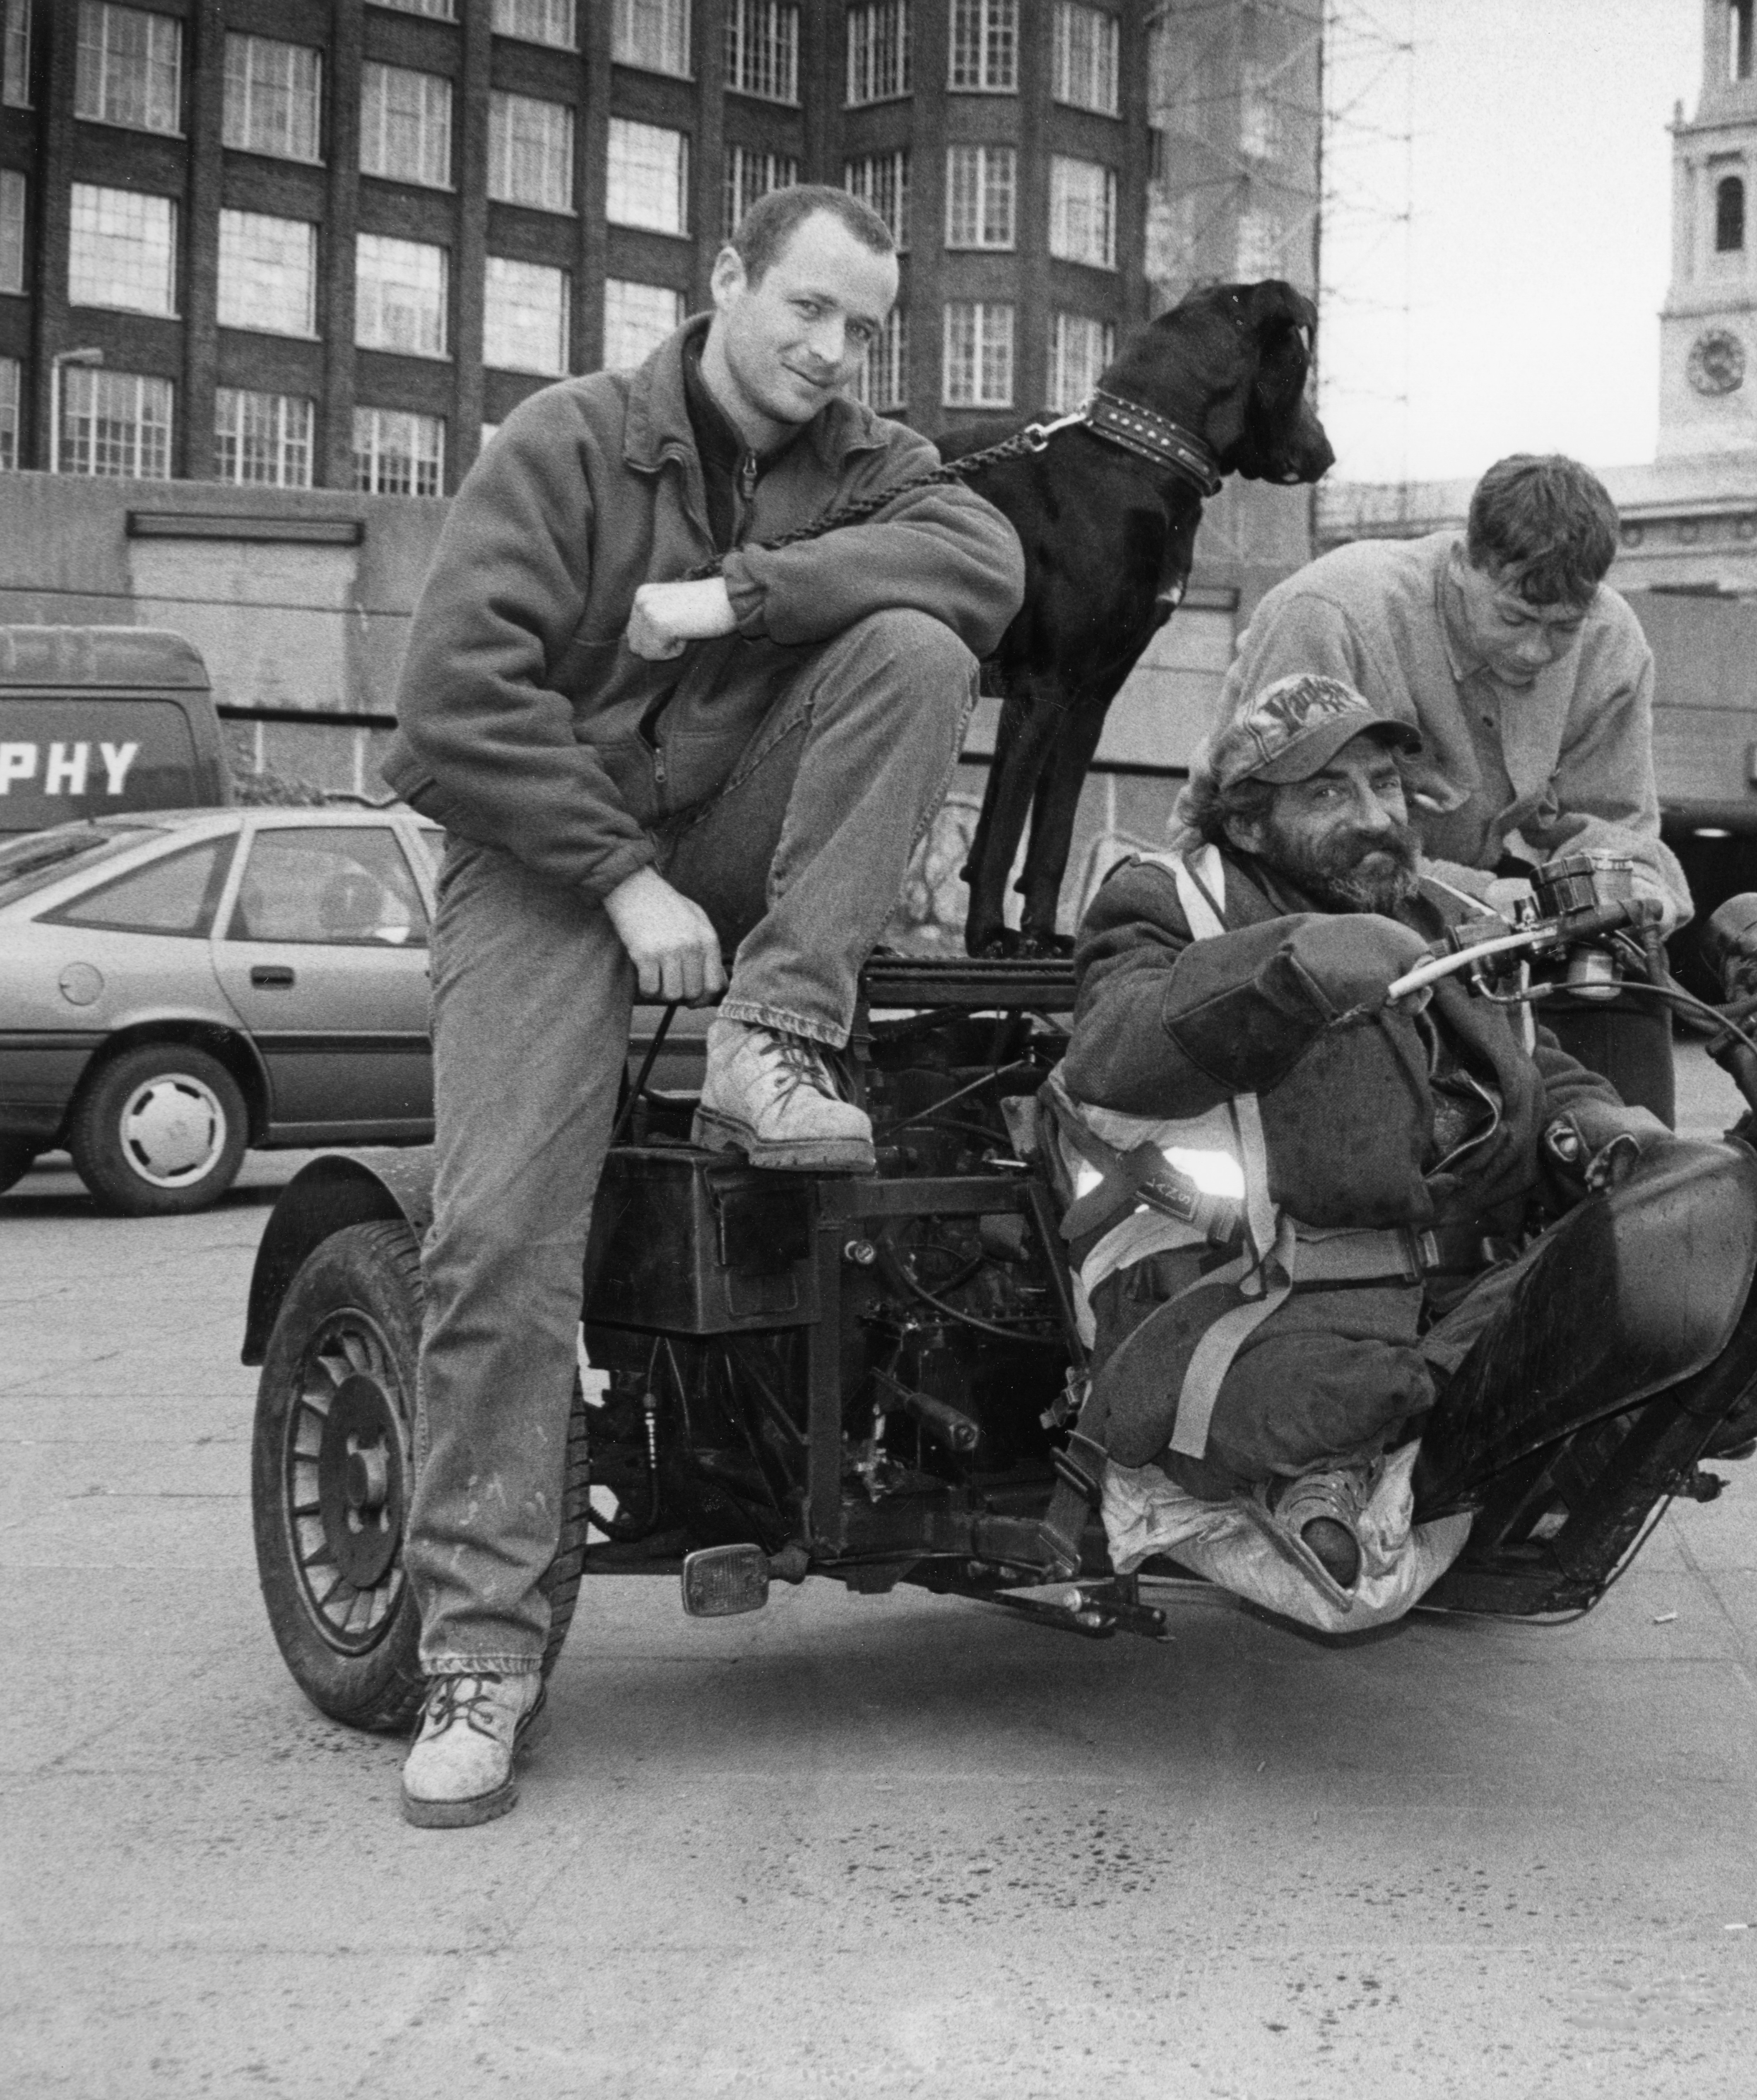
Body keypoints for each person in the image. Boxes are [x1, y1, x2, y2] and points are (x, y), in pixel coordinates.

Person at [380, 186, 1024, 1827]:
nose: (831, 349)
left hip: (734, 834)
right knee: (504, 1240)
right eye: (806, 307)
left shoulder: (865, 458)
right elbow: (454, 705)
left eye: (863, 325)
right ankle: (480, 1655)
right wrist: (619, 877)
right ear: (725, 280)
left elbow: (984, 561)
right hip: (541, 861)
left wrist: (742, 597)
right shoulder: (569, 442)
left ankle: (772, 1037)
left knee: (923, 647)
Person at [1057, 673, 1749, 1587]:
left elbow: (1529, 1063)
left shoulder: (1431, 912)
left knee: (1705, 1273)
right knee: (1360, 1396)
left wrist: (1606, 1128)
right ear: (1250, 820)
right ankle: (1362, 1463)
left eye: (1385, 785)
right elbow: (1116, 1044)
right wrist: (1284, 968)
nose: (1376, 816)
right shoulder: (1168, 903)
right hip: (1249, 1303)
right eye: (1330, 792)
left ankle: (1415, 1462)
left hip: (1446, 1295)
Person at [1219, 455, 1692, 1121]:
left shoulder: (1613, 642)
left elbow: (1611, 821)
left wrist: (1634, 890)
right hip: (1289, 892)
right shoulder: (1335, 613)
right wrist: (1471, 898)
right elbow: (1282, 831)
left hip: (1463, 908)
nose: (1536, 651)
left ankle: (1637, 1175)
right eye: (1517, 618)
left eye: (1563, 628)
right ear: (1465, 561)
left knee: (1622, 955)